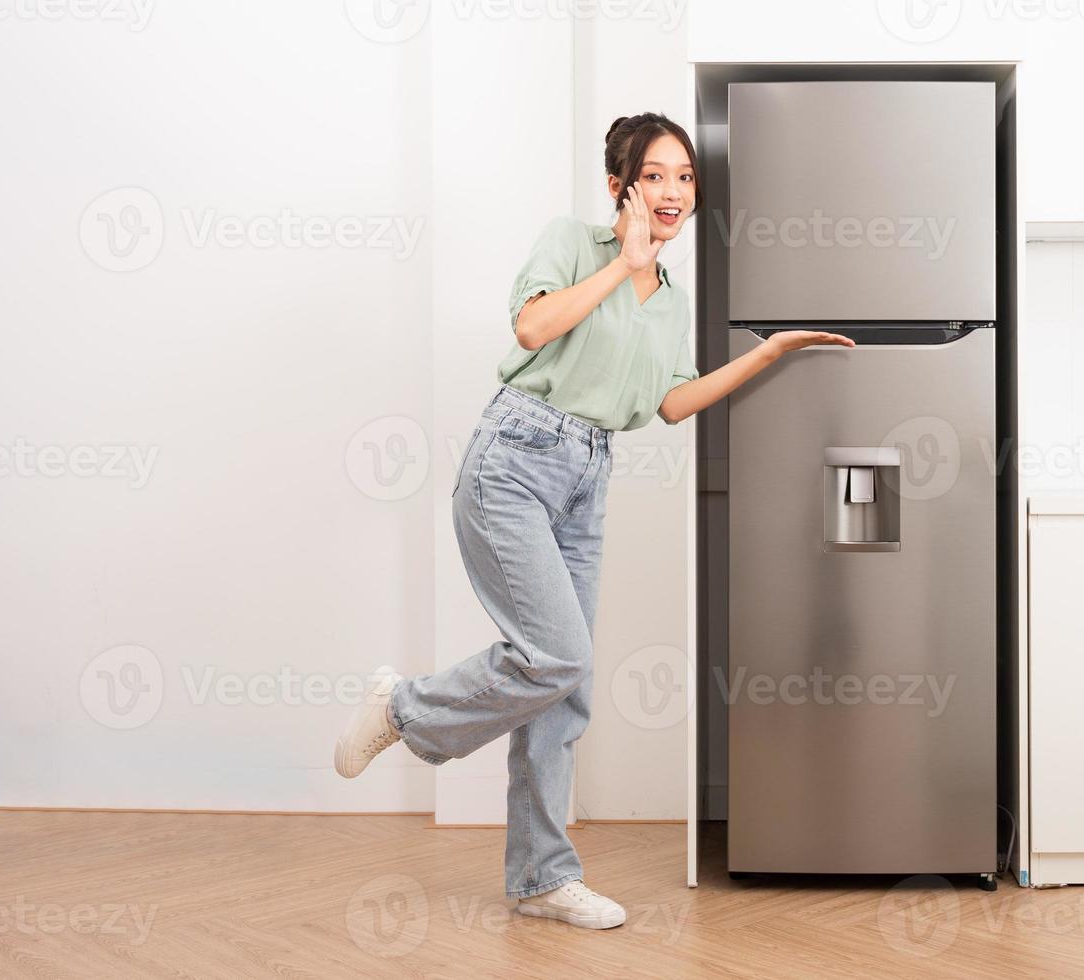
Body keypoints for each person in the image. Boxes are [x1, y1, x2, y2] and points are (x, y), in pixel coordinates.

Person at [332, 112, 853, 929]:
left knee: (564, 687)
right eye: (655, 175)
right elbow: (532, 327)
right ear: (621, 186)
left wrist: (766, 353)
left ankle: (541, 879)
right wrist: (623, 265)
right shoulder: (574, 243)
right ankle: (402, 710)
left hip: (589, 474)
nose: (674, 191)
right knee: (558, 654)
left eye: (685, 176)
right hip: (515, 457)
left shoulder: (675, 300)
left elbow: (672, 404)